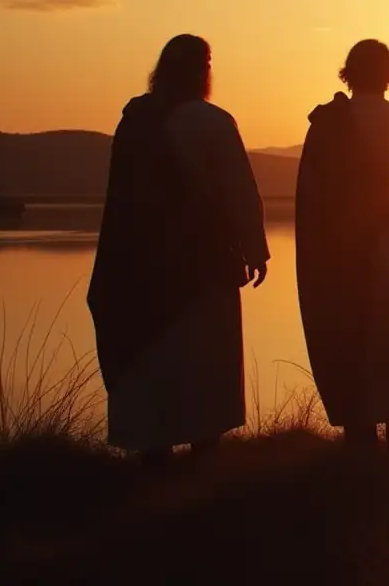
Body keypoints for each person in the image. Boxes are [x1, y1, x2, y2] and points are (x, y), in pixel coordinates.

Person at [87, 34, 270, 463]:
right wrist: (255, 248)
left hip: (140, 270)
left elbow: (121, 200)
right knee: (205, 364)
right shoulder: (212, 122)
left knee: (155, 364)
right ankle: (204, 465)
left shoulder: (135, 121)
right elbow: (239, 191)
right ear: (202, 71)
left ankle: (156, 463)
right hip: (204, 266)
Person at [295, 39, 389, 460]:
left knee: (352, 345)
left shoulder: (327, 126)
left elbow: (312, 199)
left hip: (346, 257)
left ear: (348, 73)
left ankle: (361, 451)